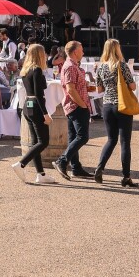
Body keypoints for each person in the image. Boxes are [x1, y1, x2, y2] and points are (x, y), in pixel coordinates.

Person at [10, 44, 57, 185]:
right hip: (36, 106)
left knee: (35, 142)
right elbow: (39, 93)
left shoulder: (25, 70)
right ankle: (21, 164)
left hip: (27, 106)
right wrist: (45, 114)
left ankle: (40, 174)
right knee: (43, 141)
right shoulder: (36, 70)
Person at [93, 39, 138, 187]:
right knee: (125, 142)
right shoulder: (122, 65)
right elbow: (133, 86)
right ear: (117, 49)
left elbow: (99, 90)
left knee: (111, 139)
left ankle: (100, 167)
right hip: (122, 105)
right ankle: (126, 176)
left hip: (107, 105)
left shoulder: (101, 68)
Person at [52, 41, 92, 180]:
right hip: (76, 106)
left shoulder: (73, 66)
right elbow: (70, 89)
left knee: (74, 137)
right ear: (75, 52)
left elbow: (74, 86)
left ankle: (76, 167)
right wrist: (82, 104)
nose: (83, 52)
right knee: (82, 136)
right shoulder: (70, 66)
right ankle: (62, 161)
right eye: (81, 50)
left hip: (74, 105)